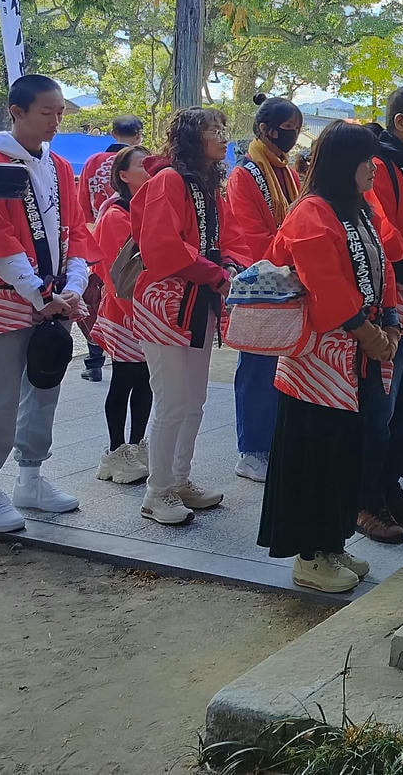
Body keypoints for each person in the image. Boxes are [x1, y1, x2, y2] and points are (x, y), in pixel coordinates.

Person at [259, 120, 400, 593]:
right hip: (317, 362)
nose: (373, 168)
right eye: (365, 160)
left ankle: (333, 542)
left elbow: (385, 267)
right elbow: (326, 285)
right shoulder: (311, 213)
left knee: (346, 451)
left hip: (359, 352)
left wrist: (392, 324)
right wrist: (368, 334)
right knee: (313, 452)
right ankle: (309, 554)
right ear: (344, 163)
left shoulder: (357, 209)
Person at [0, 74, 94, 532]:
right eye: (45, 112)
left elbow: (75, 228)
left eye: (60, 112)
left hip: (54, 295)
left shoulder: (57, 166)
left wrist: (73, 283)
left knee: (45, 380)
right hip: (7, 293)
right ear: (15, 112)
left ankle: (31, 476)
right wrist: (40, 293)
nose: (56, 121)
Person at [130, 108, 244, 525]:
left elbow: (227, 239)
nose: (222, 137)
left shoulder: (210, 186)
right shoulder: (169, 181)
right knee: (173, 401)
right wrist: (217, 271)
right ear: (193, 138)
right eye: (215, 130)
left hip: (199, 303)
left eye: (224, 129)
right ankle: (156, 492)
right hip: (166, 304)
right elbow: (162, 247)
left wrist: (229, 264)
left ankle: (179, 479)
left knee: (193, 400)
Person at [219, 94, 303, 483]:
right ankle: (251, 451)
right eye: (288, 130)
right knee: (257, 367)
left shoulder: (286, 171)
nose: (293, 137)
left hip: (287, 276)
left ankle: (272, 444)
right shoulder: (245, 174)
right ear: (266, 130)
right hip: (262, 280)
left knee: (280, 367)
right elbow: (248, 235)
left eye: (297, 131)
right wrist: (291, 253)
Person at [362, 85, 403, 539]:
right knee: (384, 399)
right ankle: (367, 499)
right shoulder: (381, 164)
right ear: (400, 121)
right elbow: (380, 226)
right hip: (395, 293)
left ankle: (389, 487)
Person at [90, 145, 153, 485]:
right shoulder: (116, 214)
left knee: (145, 381)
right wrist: (138, 312)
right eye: (143, 165)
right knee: (125, 379)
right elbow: (117, 273)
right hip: (124, 310)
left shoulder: (149, 207)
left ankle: (138, 443)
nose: (150, 169)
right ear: (123, 175)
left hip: (147, 310)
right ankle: (115, 452)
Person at [77, 116, 145, 382]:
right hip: (128, 229)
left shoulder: (93, 162)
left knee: (97, 298)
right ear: (138, 135)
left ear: (112, 132)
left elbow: (82, 203)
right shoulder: (141, 161)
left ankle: (95, 358)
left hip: (98, 232)